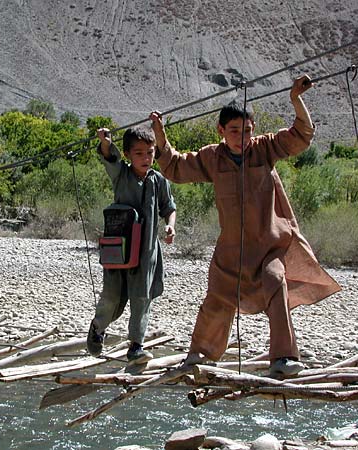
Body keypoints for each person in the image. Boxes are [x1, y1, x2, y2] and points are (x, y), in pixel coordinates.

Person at [151, 74, 341, 376]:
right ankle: (200, 354)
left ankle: (284, 358)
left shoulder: (264, 149)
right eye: (235, 131)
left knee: (275, 281)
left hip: (269, 245)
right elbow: (174, 166)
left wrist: (296, 99)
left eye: (247, 130)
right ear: (221, 130)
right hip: (231, 251)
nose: (243, 137)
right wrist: (160, 135)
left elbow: (301, 135)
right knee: (216, 299)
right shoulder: (212, 157)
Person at [86, 126, 177, 365]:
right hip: (119, 247)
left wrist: (170, 226)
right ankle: (98, 327)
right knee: (112, 295)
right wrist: (105, 142)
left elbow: (169, 208)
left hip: (146, 250)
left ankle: (136, 346)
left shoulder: (159, 180)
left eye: (150, 153)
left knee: (141, 296)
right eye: (139, 153)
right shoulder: (121, 175)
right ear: (127, 154)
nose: (145, 158)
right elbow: (109, 156)